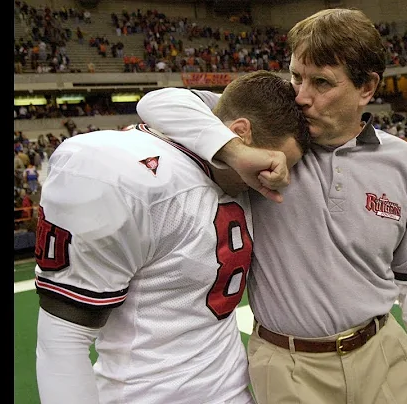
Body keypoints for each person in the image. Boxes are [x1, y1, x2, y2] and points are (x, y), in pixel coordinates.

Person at [136, 8, 407, 404]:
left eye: (321, 82)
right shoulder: (267, 131)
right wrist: (236, 152)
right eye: (296, 76)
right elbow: (157, 102)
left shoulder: (402, 161)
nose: (301, 96)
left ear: (367, 88)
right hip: (288, 366)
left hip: (381, 351)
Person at [34, 70, 310, 404]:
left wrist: (234, 152)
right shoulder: (122, 173)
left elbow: (177, 101)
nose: (280, 179)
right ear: (240, 133)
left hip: (232, 390)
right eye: (275, 164)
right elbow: (62, 341)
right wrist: (238, 153)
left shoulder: (220, 155)